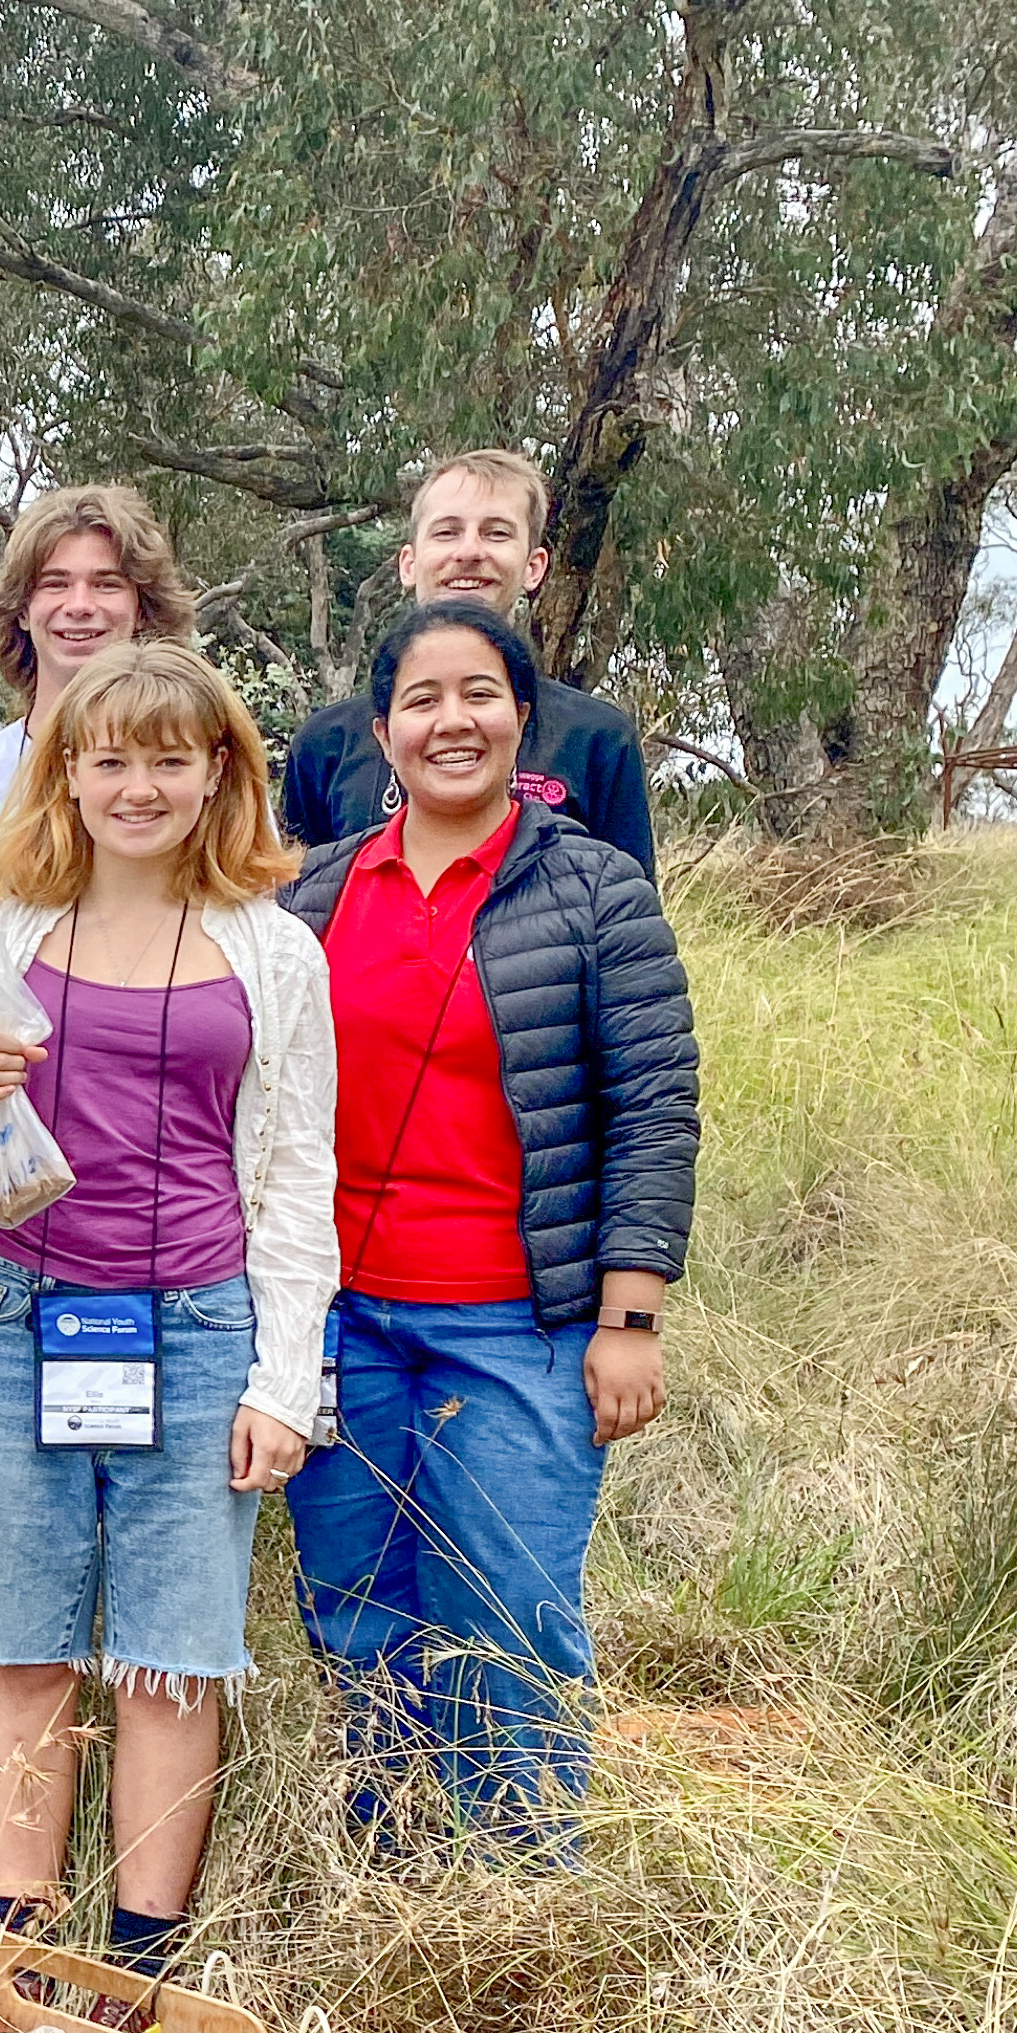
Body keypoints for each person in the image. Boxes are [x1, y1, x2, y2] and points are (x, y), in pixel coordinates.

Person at [0, 643, 337, 2002]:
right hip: (12, 1320)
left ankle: (142, 1963)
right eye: (109, 759)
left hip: (199, 1326)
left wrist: (286, 1380)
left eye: (172, 758)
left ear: (219, 770)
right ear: (65, 774)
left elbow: (294, 1173)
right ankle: (22, 1942)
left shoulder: (273, 952)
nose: (139, 786)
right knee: (23, 1638)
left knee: (173, 1652)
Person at [276, 597, 697, 1856]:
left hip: (521, 1323)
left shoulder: (595, 889)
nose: (450, 721)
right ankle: (392, 1875)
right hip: (342, 1322)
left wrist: (631, 1317)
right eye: (421, 699)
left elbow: (655, 1104)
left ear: (522, 715)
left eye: (478, 695)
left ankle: (524, 1892)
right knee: (357, 1613)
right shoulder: (317, 892)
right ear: (382, 728)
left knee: (510, 1610)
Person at [278, 448, 657, 871]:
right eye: (446, 532)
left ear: (534, 567)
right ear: (409, 563)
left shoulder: (596, 738)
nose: (470, 551)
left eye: (496, 533)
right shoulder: (325, 744)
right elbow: (292, 915)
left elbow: (631, 916)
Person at [0, 482, 198, 806]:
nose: (79, 605)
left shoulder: (198, 779)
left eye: (106, 584)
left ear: (142, 610)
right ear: (23, 611)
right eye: (56, 584)